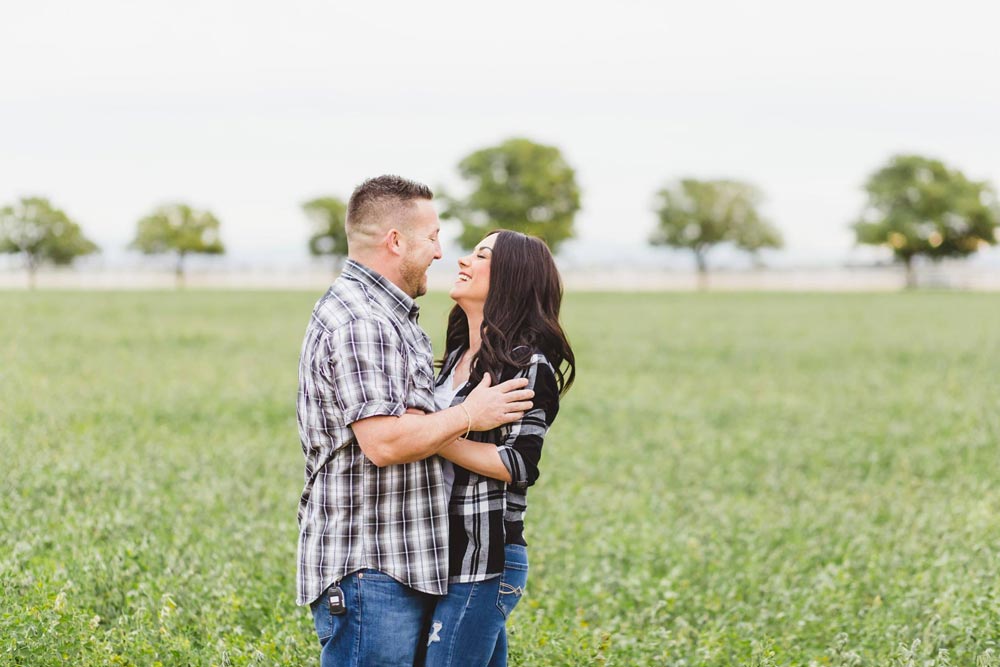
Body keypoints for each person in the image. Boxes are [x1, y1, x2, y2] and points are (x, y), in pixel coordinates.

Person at [296, 176, 535, 667]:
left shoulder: (390, 317)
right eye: (432, 238)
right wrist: (469, 414)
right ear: (396, 241)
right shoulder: (365, 321)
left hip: (403, 564)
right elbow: (383, 443)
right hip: (373, 566)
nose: (441, 253)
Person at [421, 230, 576, 667]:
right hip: (441, 549)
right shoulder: (455, 357)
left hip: (485, 555)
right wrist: (444, 426)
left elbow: (517, 463)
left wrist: (432, 432)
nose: (462, 261)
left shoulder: (529, 364)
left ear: (511, 276)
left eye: (481, 255)